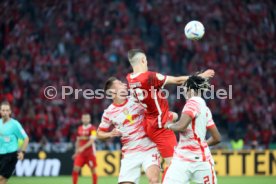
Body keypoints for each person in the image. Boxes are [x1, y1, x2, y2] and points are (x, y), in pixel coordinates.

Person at [126, 48, 215, 166]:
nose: (147, 63)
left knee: (175, 116)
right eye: (146, 60)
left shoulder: (130, 78)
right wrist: (200, 76)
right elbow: (177, 81)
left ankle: (158, 151)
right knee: (174, 166)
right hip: (160, 127)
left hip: (150, 121)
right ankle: (162, 157)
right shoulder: (149, 77)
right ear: (143, 60)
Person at [97, 77, 160, 184]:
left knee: (154, 180)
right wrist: (110, 134)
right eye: (120, 83)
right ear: (112, 92)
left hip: (149, 148)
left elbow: (154, 105)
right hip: (130, 153)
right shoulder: (109, 112)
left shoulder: (136, 99)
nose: (124, 84)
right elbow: (99, 134)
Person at [163, 75, 221, 184]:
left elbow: (181, 126)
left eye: (184, 87)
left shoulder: (192, 103)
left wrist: (168, 125)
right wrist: (201, 145)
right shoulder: (205, 108)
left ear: (189, 89)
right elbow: (217, 138)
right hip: (201, 160)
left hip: (182, 159)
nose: (183, 90)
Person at [0, 101, 29, 184]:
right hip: (0, 154)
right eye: (3, 110)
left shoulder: (15, 124)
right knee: (3, 180)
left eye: (7, 110)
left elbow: (26, 138)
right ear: (0, 111)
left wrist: (22, 152)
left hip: (10, 156)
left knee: (1, 178)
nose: (5, 112)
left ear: (10, 112)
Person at [72, 113, 98, 184]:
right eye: (84, 118)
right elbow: (78, 141)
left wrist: (82, 148)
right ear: (82, 119)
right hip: (81, 154)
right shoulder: (79, 128)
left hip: (90, 153)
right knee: (75, 169)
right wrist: (76, 152)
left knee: (93, 170)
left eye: (87, 118)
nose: (85, 120)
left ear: (89, 119)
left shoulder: (93, 128)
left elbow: (92, 140)